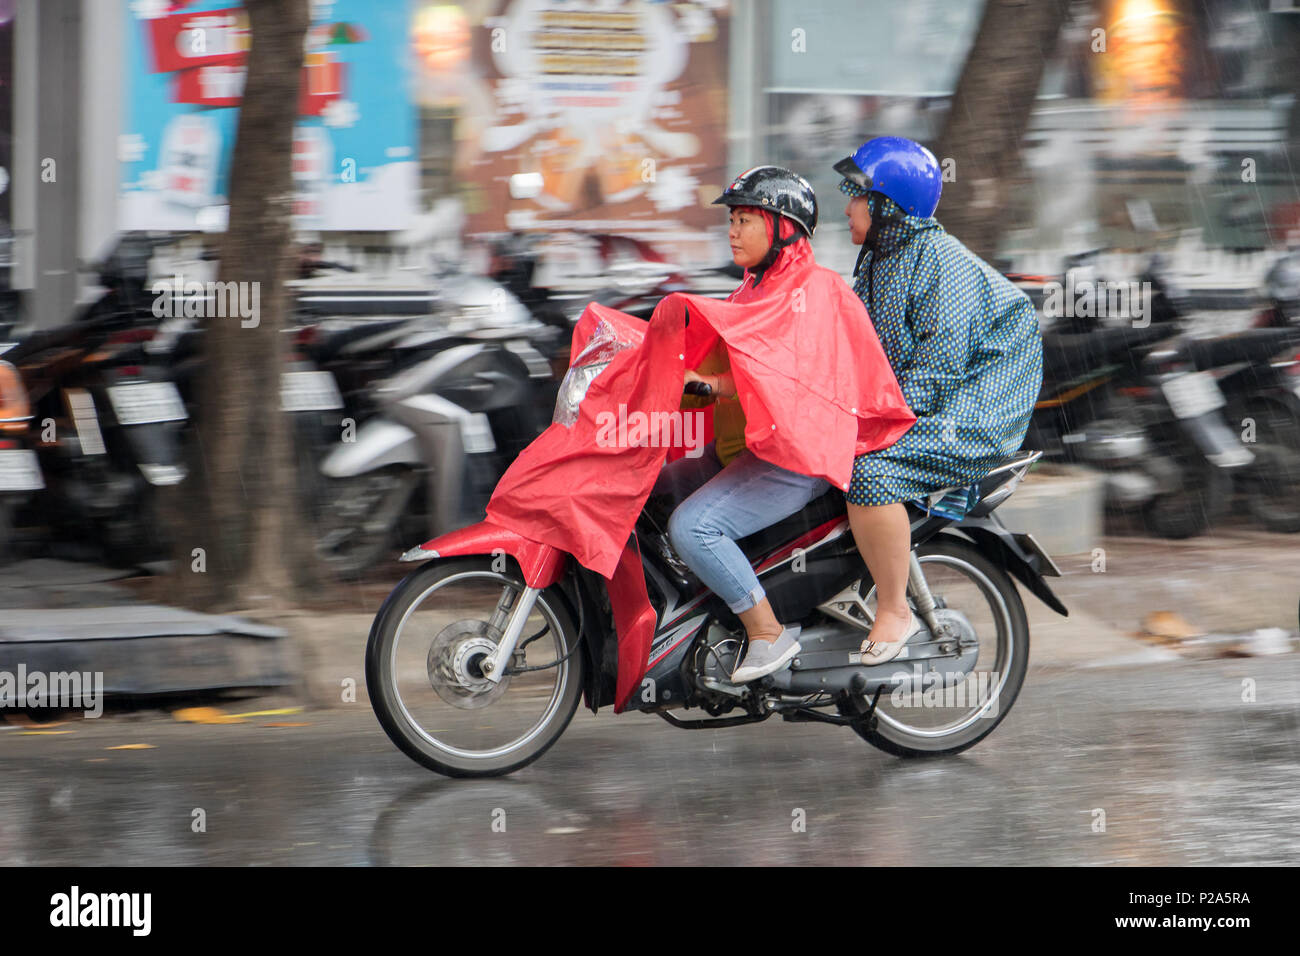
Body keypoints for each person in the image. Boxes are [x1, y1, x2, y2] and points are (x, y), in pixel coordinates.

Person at [652, 165, 912, 684]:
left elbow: (795, 382)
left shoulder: (815, 293)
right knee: (657, 486)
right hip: (754, 448)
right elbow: (745, 365)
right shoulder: (755, 291)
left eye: (745, 219)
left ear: (783, 227)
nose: (732, 230)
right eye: (732, 219)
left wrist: (717, 385)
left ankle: (766, 632)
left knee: (693, 527)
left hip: (796, 458)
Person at [833, 136, 1043, 664]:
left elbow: (935, 378)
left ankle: (894, 611)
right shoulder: (880, 258)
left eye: (855, 195)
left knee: (869, 472)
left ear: (887, 205)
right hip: (932, 402)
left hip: (975, 413)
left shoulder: (940, 265)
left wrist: (859, 422)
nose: (845, 207)